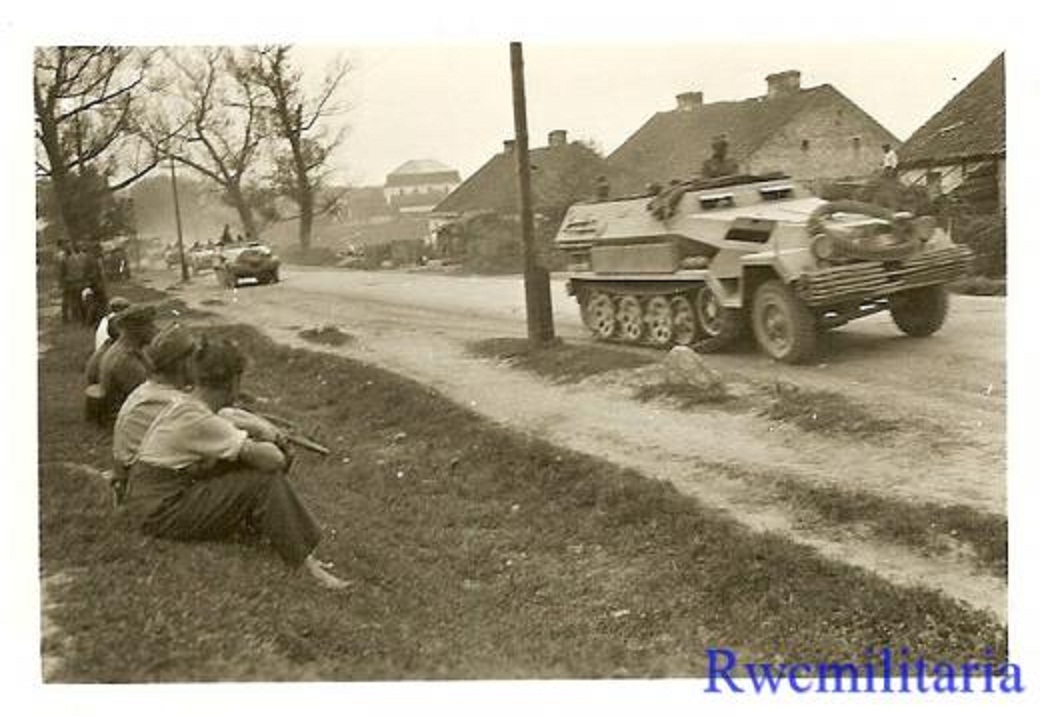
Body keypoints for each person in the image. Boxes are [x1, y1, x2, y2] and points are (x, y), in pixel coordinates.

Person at [116, 332, 348, 589]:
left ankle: (289, 544)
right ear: (233, 382)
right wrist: (268, 435)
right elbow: (273, 461)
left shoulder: (187, 405)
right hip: (160, 512)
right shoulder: (198, 419)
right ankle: (306, 565)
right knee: (263, 480)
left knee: (238, 465)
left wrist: (252, 433)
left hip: (150, 503)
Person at [97, 303, 157, 421]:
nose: (154, 329)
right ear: (137, 329)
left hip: (134, 410)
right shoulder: (124, 360)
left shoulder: (132, 349)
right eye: (150, 325)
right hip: (127, 418)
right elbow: (150, 396)